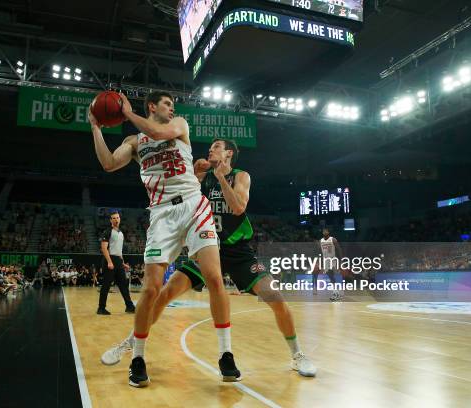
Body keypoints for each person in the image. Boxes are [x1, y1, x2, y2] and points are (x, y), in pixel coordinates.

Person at [101, 138, 317, 376]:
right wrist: (196, 172)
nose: (210, 149)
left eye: (216, 147)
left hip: (236, 251)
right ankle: (132, 342)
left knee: (274, 296)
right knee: (164, 295)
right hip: (204, 246)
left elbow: (238, 208)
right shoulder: (199, 176)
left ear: (229, 153)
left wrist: (221, 176)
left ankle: (297, 354)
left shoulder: (241, 176)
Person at [89, 91, 240, 387]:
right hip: (161, 215)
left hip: (194, 205)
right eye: (167, 104)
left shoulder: (180, 124)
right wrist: (95, 126)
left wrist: (127, 113)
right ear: (152, 106)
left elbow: (158, 131)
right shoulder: (134, 142)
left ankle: (226, 354)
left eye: (172, 104)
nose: (172, 108)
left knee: (214, 277)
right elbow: (107, 163)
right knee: (151, 290)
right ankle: (138, 358)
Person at [97, 211, 135, 315]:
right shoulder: (107, 232)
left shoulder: (121, 233)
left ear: (120, 219)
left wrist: (123, 263)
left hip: (118, 261)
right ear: (110, 220)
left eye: (117, 218)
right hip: (109, 260)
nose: (116, 219)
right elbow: (104, 248)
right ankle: (101, 308)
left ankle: (130, 307)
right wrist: (109, 262)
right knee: (106, 285)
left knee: (123, 285)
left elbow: (119, 251)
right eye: (113, 218)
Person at [313, 228, 344, 301]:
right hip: (326, 260)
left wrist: (341, 259)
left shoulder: (333, 239)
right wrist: (319, 261)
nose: (324, 232)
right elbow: (320, 252)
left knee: (334, 274)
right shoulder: (321, 241)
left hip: (333, 259)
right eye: (323, 231)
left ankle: (337, 293)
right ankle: (336, 292)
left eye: (326, 231)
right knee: (330, 276)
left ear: (328, 232)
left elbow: (339, 249)